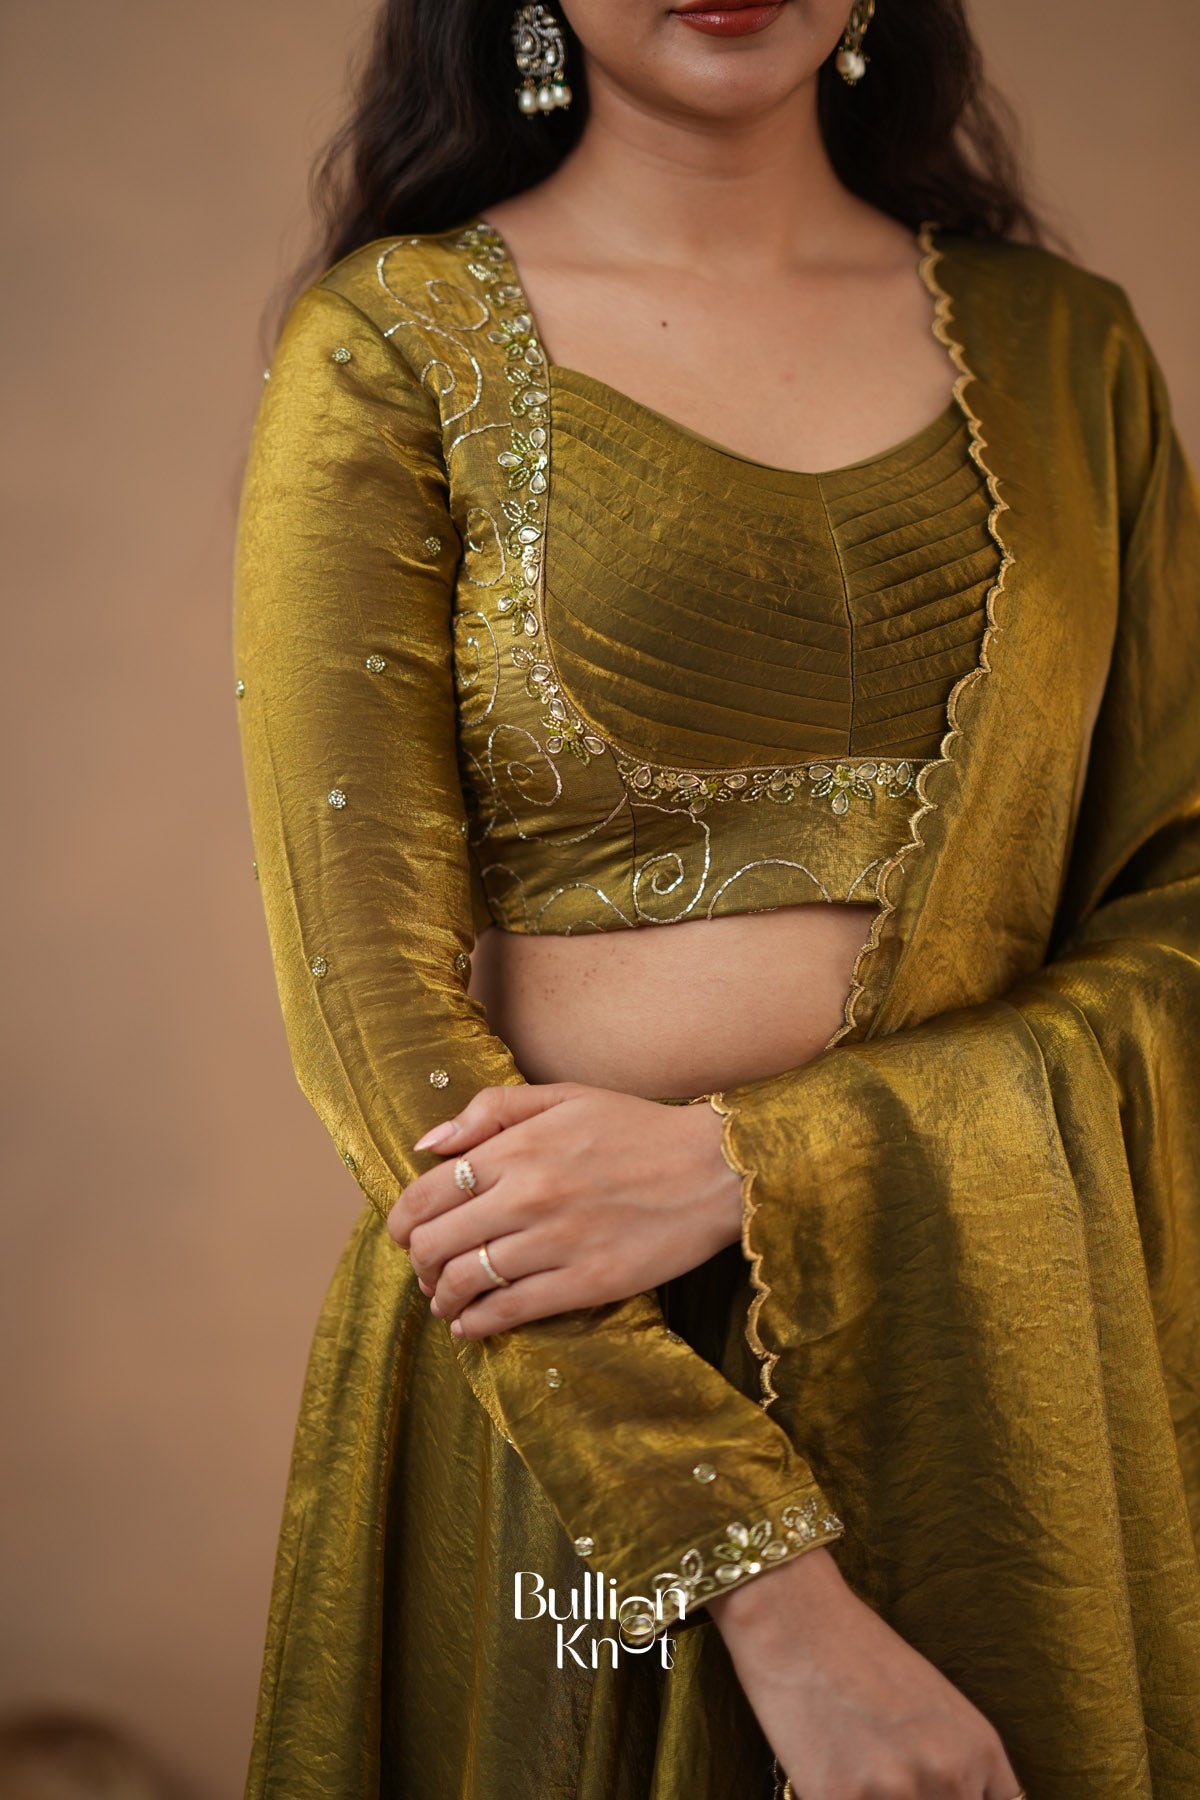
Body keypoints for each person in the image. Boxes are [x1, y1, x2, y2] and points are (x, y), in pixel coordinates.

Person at [232, 1, 1200, 1795]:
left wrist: (753, 1166)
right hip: (567, 1382)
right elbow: (373, 1014)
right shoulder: (391, 346)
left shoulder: (1072, 360)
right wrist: (766, 1588)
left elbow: (1182, 900)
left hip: (997, 1372)